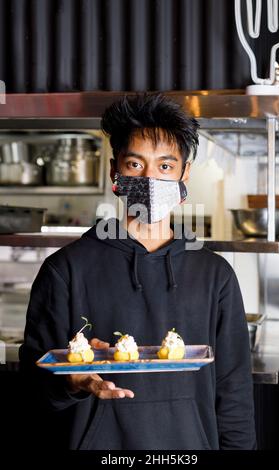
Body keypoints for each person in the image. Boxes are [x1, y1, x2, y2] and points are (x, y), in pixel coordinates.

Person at [19, 93, 256, 450]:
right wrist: (71, 382)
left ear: (183, 175)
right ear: (115, 171)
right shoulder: (65, 270)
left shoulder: (215, 275)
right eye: (135, 165)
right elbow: (33, 391)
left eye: (164, 167)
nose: (149, 179)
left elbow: (234, 394)